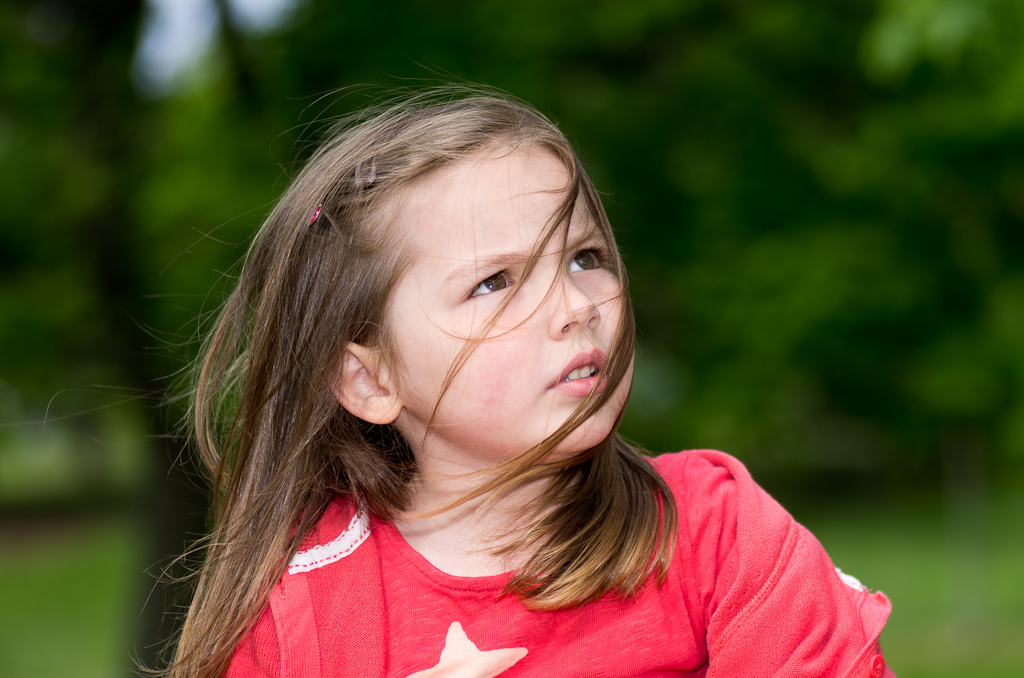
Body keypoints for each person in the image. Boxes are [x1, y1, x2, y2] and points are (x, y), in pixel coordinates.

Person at [166, 89, 895, 678]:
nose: (577, 307)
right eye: (495, 282)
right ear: (369, 378)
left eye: (584, 258)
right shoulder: (306, 613)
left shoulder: (716, 535)